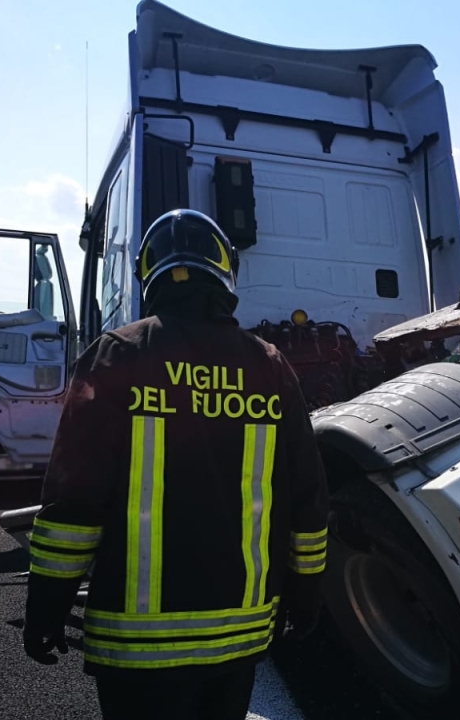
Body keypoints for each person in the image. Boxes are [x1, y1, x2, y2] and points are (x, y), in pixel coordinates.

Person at [22, 209, 330, 720]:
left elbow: (73, 504)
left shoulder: (116, 355)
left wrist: (47, 607)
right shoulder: (269, 366)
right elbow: (307, 500)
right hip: (239, 637)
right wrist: (305, 596)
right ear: (225, 270)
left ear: (149, 273)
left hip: (137, 648)